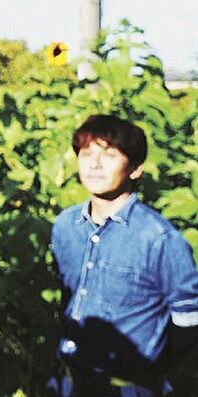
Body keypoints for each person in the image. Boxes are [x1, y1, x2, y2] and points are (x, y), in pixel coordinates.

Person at [49, 114, 198, 396]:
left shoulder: (158, 238)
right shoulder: (65, 226)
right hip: (67, 380)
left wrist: (154, 365)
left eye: (109, 154)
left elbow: (189, 316)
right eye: (87, 153)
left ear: (135, 168)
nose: (94, 164)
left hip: (128, 387)